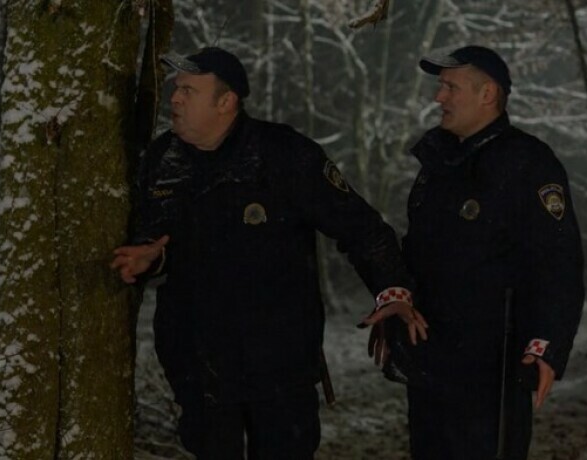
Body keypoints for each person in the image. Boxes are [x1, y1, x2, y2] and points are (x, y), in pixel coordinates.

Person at [111, 46, 427, 459]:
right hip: (198, 363)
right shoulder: (163, 159)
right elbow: (158, 242)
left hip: (279, 362)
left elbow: (360, 227)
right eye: (176, 88)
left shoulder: (284, 154)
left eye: (188, 90)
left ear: (226, 102)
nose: (175, 98)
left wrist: (392, 290)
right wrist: (149, 258)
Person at [395, 45, 585, 459]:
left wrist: (546, 344)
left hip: (492, 370)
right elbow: (418, 250)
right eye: (440, 87)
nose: (438, 97)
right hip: (430, 362)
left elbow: (559, 262)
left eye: (450, 87)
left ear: (487, 94)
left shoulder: (528, 162)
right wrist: (396, 301)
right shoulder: (438, 164)